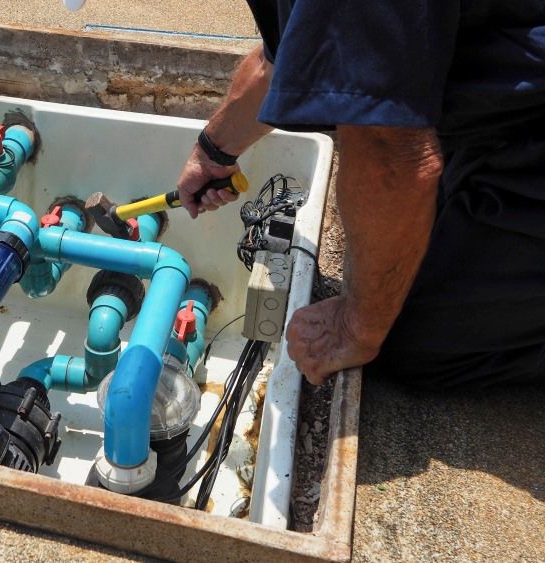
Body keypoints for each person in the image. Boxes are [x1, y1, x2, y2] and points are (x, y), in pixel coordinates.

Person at [176, 1, 545, 388]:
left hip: (523, 137)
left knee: (402, 334)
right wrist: (213, 152)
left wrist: (356, 327)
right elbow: (287, 55)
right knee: (398, 258)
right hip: (500, 119)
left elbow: (391, 154)